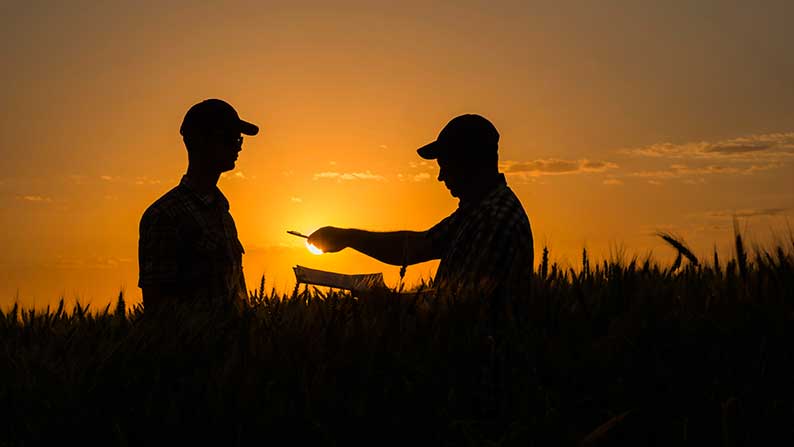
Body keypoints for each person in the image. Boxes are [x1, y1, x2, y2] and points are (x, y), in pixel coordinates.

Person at [308, 114, 533, 297]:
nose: (441, 177)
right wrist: (346, 237)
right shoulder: (475, 212)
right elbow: (419, 245)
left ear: (471, 163)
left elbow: (461, 306)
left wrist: (388, 302)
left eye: (446, 166)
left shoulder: (493, 219)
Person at [138, 99, 259, 313]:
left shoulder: (222, 210)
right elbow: (157, 311)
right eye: (229, 138)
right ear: (202, 141)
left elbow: (237, 291)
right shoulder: (163, 216)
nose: (237, 147)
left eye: (238, 140)